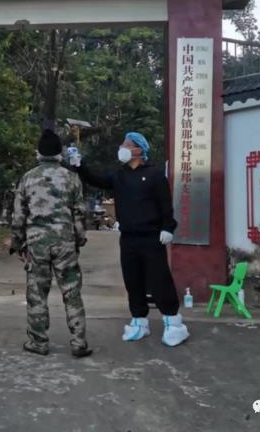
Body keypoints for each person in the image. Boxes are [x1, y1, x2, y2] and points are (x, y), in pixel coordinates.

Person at [69, 132, 189, 347]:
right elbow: (97, 180)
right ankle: (139, 321)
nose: (121, 148)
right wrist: (80, 165)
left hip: (152, 238)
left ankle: (174, 323)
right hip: (128, 238)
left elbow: (165, 204)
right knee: (133, 281)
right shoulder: (119, 176)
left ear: (139, 150)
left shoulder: (154, 174)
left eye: (127, 145)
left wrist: (168, 227)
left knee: (159, 280)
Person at [10, 129, 93, 358]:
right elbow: (79, 213)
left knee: (36, 293)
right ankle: (79, 343)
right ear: (59, 153)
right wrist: (79, 239)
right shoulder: (72, 178)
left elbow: (19, 215)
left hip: (36, 243)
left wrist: (17, 242)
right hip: (65, 242)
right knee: (72, 292)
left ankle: (38, 342)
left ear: (38, 152)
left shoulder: (28, 178)